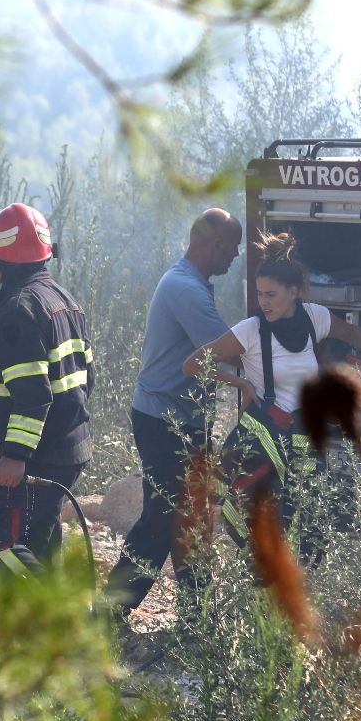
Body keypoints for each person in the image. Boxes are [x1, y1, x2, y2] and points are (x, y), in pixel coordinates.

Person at [182, 231, 361, 548]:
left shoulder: (315, 317)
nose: (263, 302)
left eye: (271, 294)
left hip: (305, 443)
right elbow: (193, 364)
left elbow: (355, 335)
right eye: (260, 294)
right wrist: (241, 382)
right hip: (266, 442)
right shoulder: (250, 330)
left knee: (307, 533)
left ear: (293, 292)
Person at [106, 207, 243, 616]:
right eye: (233, 246)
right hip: (165, 421)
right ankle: (109, 612)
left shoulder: (188, 283)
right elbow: (229, 349)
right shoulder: (186, 289)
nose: (236, 255)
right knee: (162, 517)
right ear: (215, 244)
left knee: (192, 519)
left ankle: (196, 615)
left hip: (179, 419)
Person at [0, 202, 94, 577]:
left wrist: (16, 455)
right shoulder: (66, 302)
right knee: (37, 539)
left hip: (40, 455)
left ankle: (43, 608)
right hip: (68, 448)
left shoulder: (20, 309)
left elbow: (35, 395)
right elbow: (87, 379)